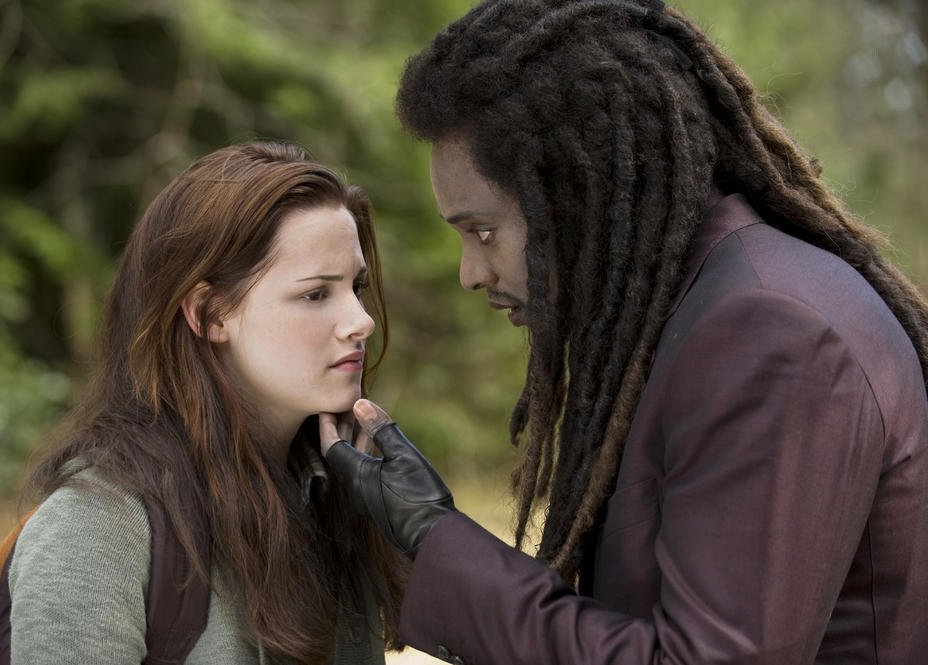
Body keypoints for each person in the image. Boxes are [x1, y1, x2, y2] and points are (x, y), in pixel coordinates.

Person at [318, 1, 928, 664]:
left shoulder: (767, 330)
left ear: (576, 192)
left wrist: (437, 536)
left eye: (483, 231)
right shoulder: (708, 307)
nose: (471, 272)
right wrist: (430, 538)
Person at [8, 141, 407, 664]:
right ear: (210, 314)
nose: (362, 320)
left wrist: (428, 534)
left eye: (356, 286)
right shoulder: (98, 525)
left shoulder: (337, 495)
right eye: (316, 294)